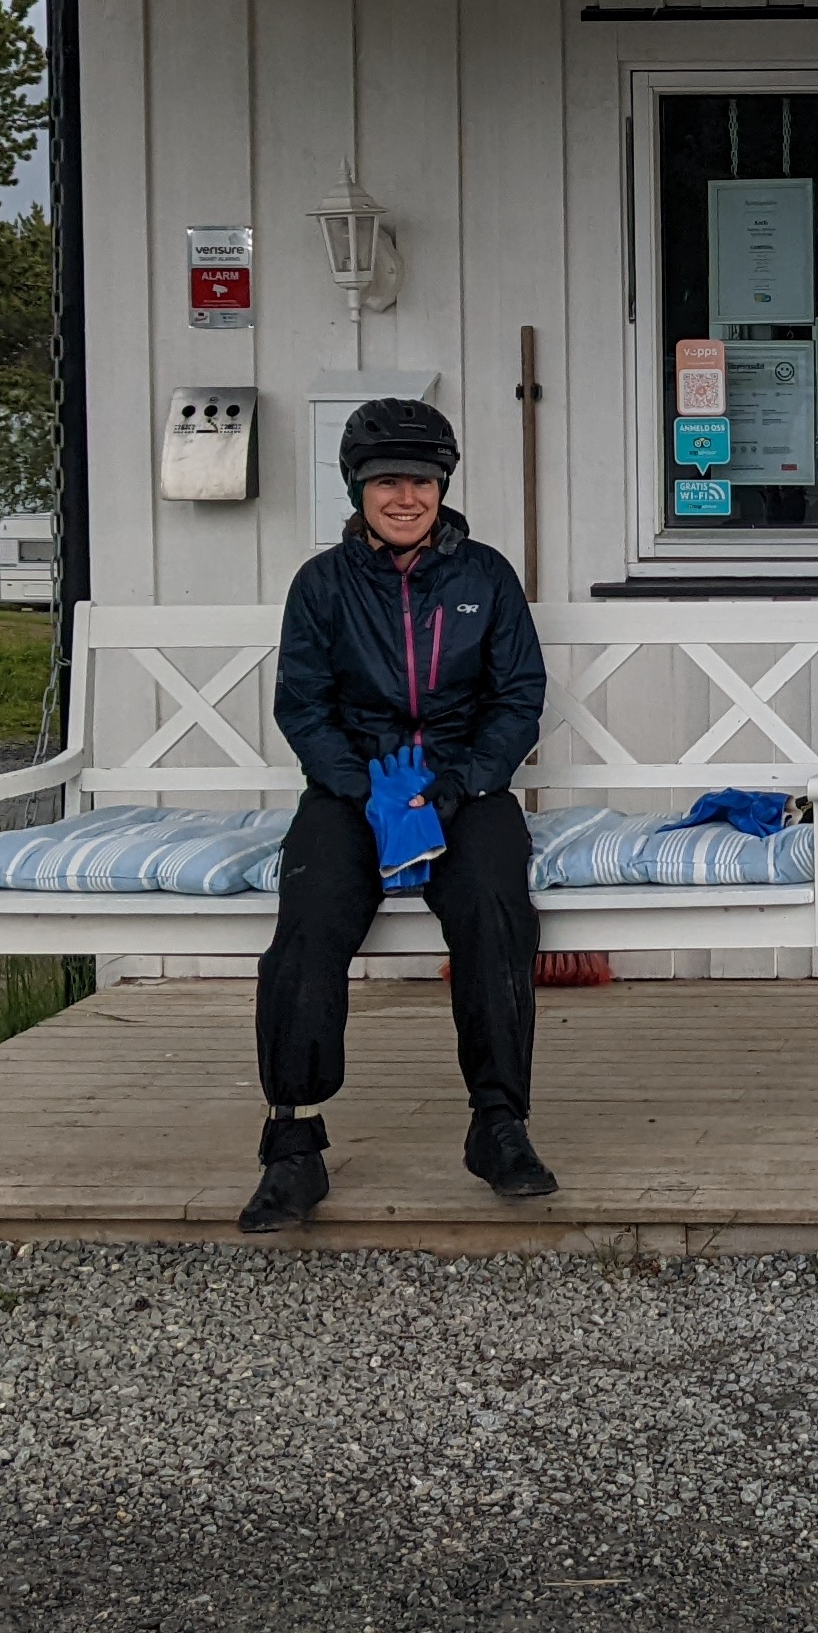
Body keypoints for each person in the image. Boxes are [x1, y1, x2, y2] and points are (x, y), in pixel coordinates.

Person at [238, 398, 556, 1233]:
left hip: (464, 787)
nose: (404, 497)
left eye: (420, 479)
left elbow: (518, 697)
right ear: (358, 489)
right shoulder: (321, 585)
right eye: (386, 481)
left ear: (442, 485)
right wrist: (362, 784)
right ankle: (293, 1144)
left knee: (495, 910)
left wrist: (456, 785)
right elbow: (302, 705)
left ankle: (499, 1124)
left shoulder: (485, 577)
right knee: (308, 918)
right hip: (353, 788)